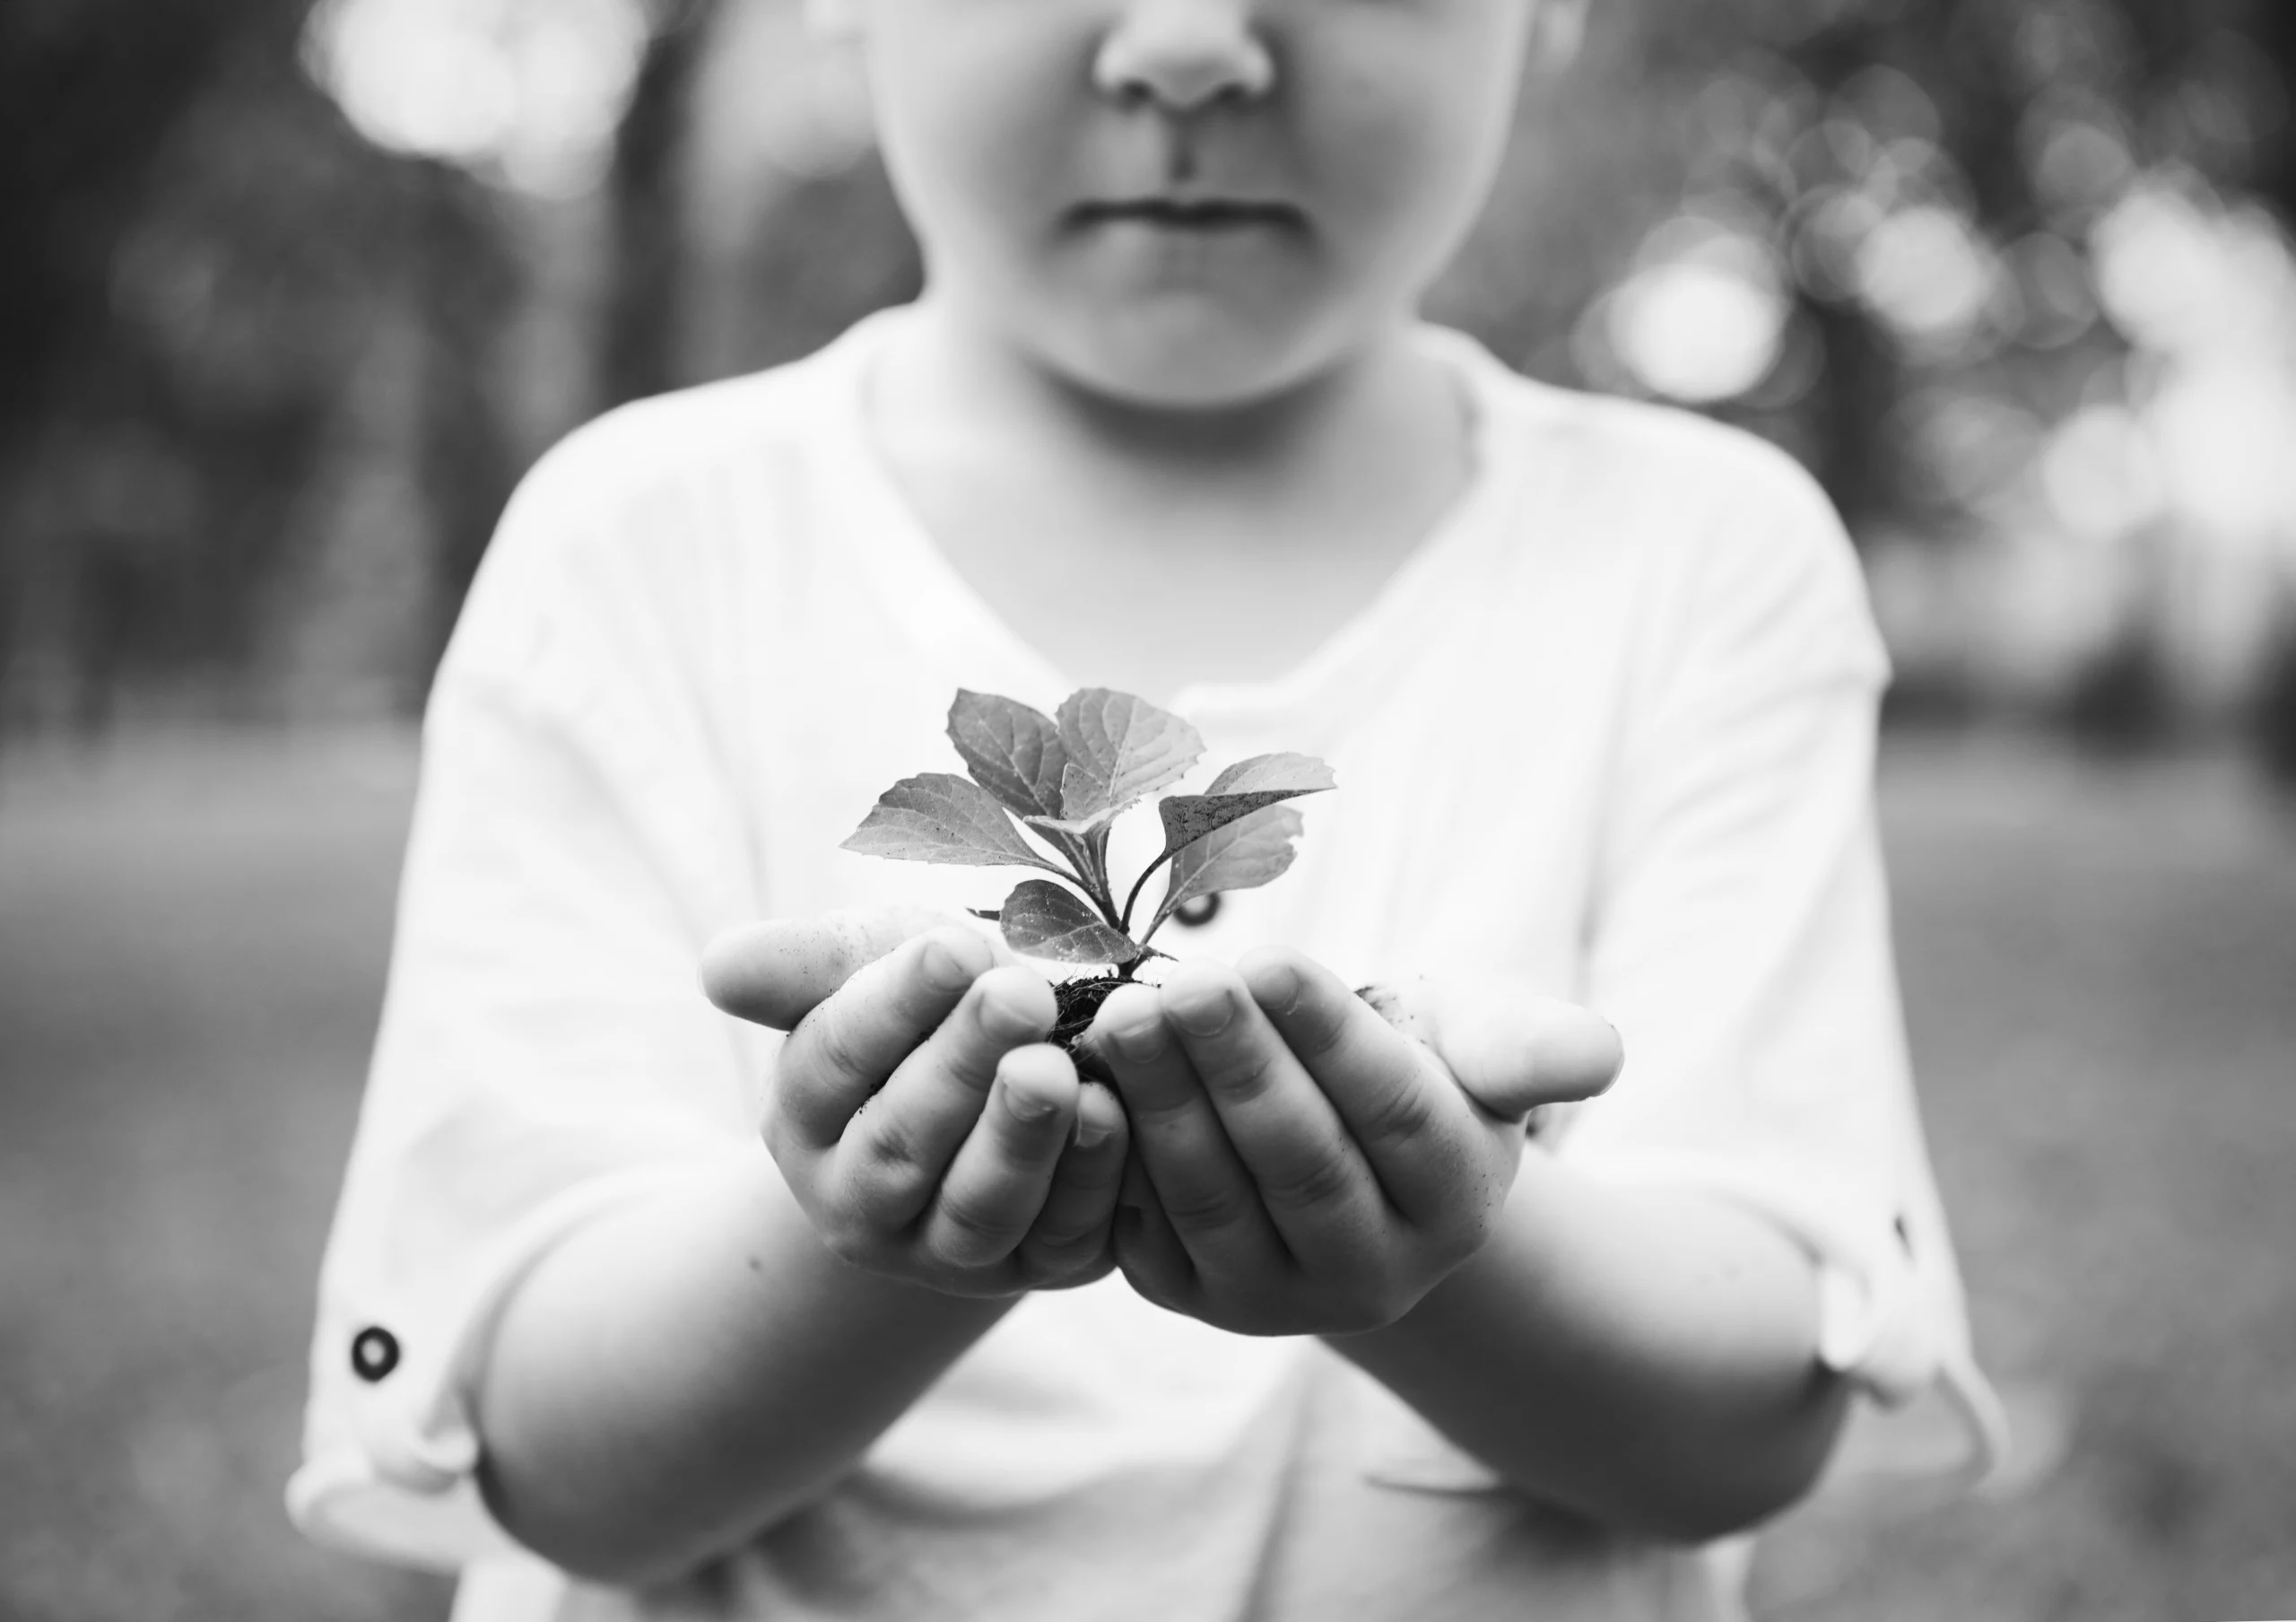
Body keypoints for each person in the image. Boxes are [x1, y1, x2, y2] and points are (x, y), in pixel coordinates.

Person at [291, 2, 2005, 1618]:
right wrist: (862, 1229)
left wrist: (1447, 1239)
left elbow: (1750, 1411)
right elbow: (549, 1451)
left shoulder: (1700, 562)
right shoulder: (635, 552)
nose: (1190, 45)